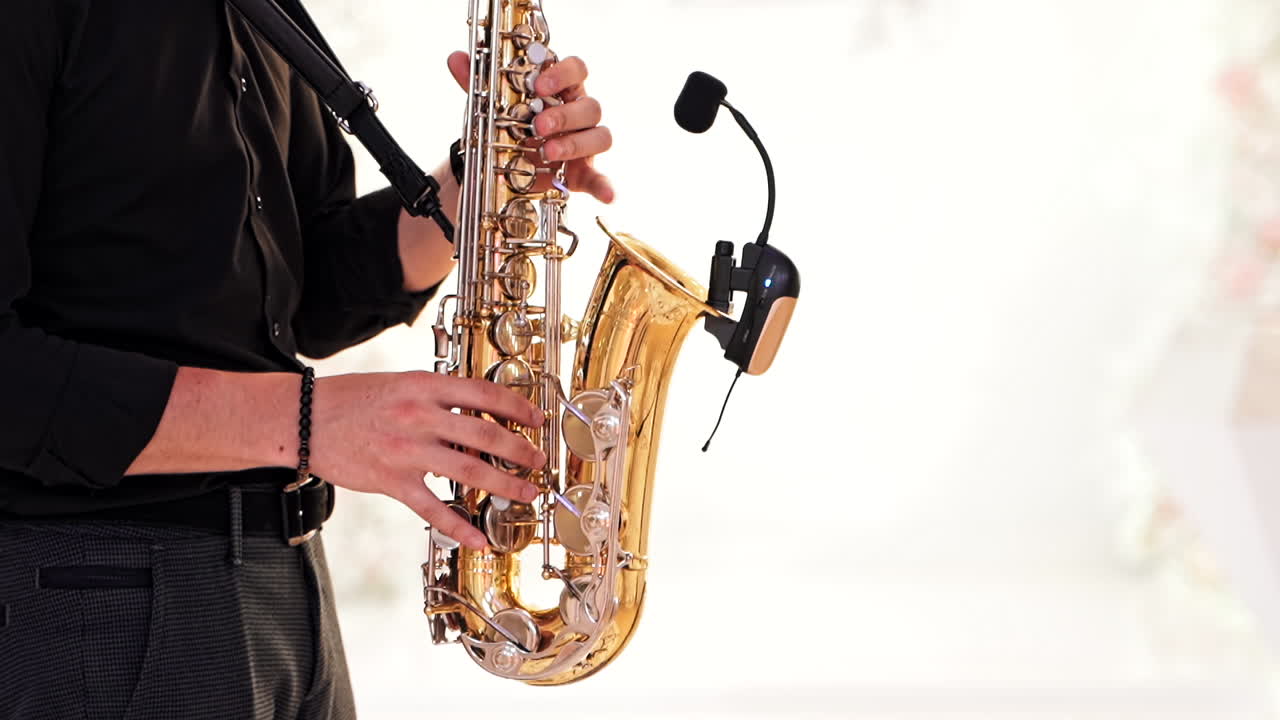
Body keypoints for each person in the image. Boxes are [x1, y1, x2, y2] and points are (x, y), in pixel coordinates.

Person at [0, 1, 615, 717]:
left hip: (285, 585)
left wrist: (484, 182)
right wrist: (303, 423)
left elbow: (307, 290)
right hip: (96, 596)